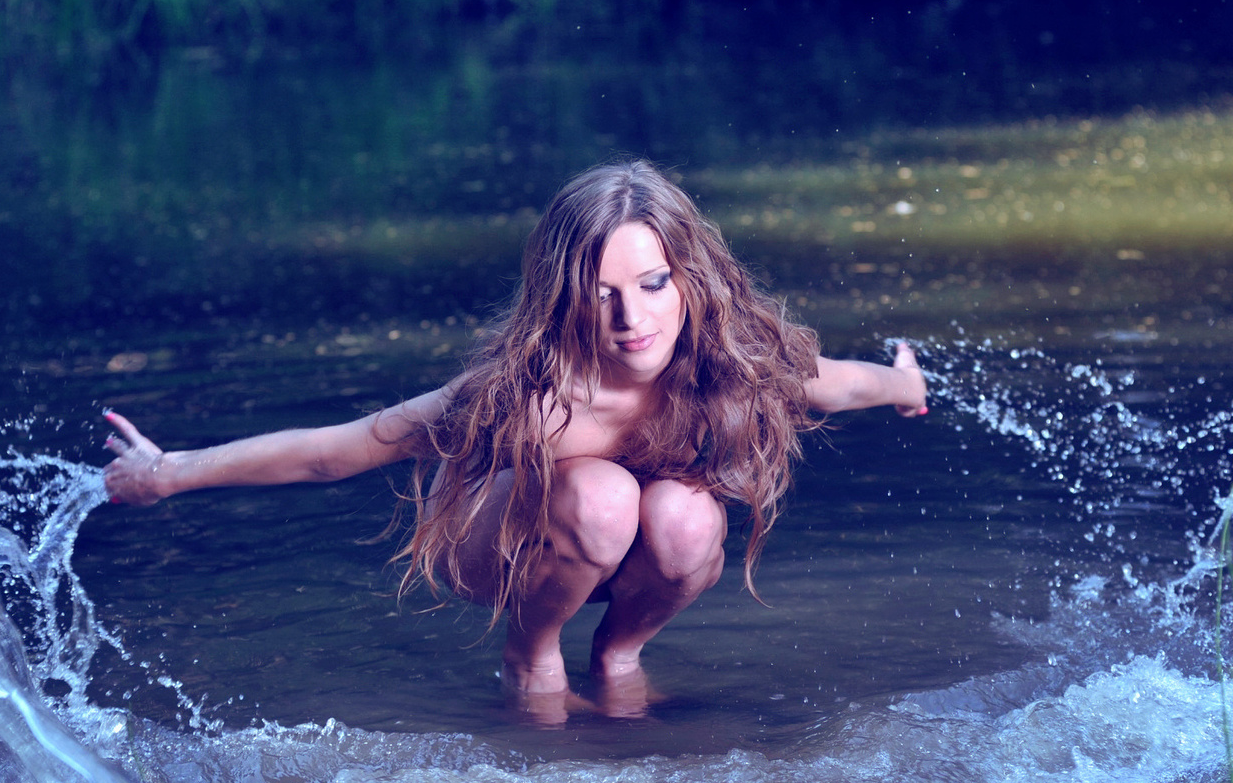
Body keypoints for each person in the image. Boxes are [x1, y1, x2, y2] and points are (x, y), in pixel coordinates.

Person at [104, 160, 927, 720]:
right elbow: (339, 449)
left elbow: (843, 380)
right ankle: (530, 659)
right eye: (601, 294)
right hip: (496, 544)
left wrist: (905, 384)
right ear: (565, 297)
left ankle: (616, 657)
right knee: (602, 496)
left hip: (616, 551)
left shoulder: (733, 363)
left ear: (691, 280)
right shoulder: (526, 397)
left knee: (690, 518)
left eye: (651, 285)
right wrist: (167, 472)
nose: (631, 320)